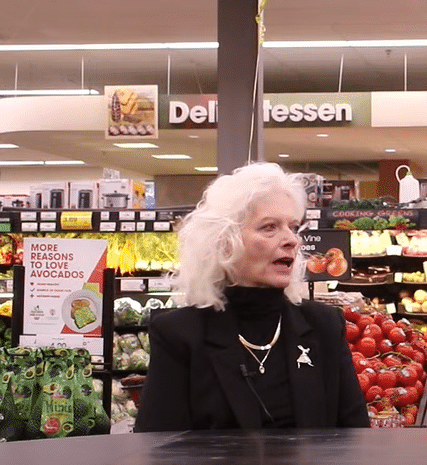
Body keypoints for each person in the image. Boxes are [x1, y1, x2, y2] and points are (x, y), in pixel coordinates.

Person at [135, 162, 368, 431]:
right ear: (225, 242)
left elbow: (354, 440)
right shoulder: (179, 334)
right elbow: (158, 451)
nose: (291, 239)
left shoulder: (324, 325)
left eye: (293, 227)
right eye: (269, 227)